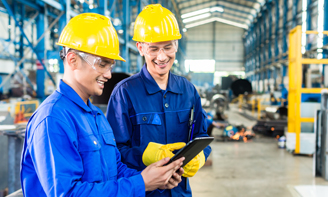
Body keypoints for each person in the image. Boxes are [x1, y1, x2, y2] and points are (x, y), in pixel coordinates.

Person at [20, 13, 185, 197]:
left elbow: (116, 170)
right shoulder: (53, 119)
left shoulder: (96, 116)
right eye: (102, 64)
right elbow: (68, 193)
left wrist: (154, 178)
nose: (108, 75)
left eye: (110, 66)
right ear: (73, 60)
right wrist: (141, 183)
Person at [106, 4, 212, 196]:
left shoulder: (188, 91)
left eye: (167, 47)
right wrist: (147, 155)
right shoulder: (125, 93)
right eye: (153, 49)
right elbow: (113, 151)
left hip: (180, 192)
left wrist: (200, 157)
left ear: (176, 46)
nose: (162, 57)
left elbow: (201, 136)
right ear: (140, 48)